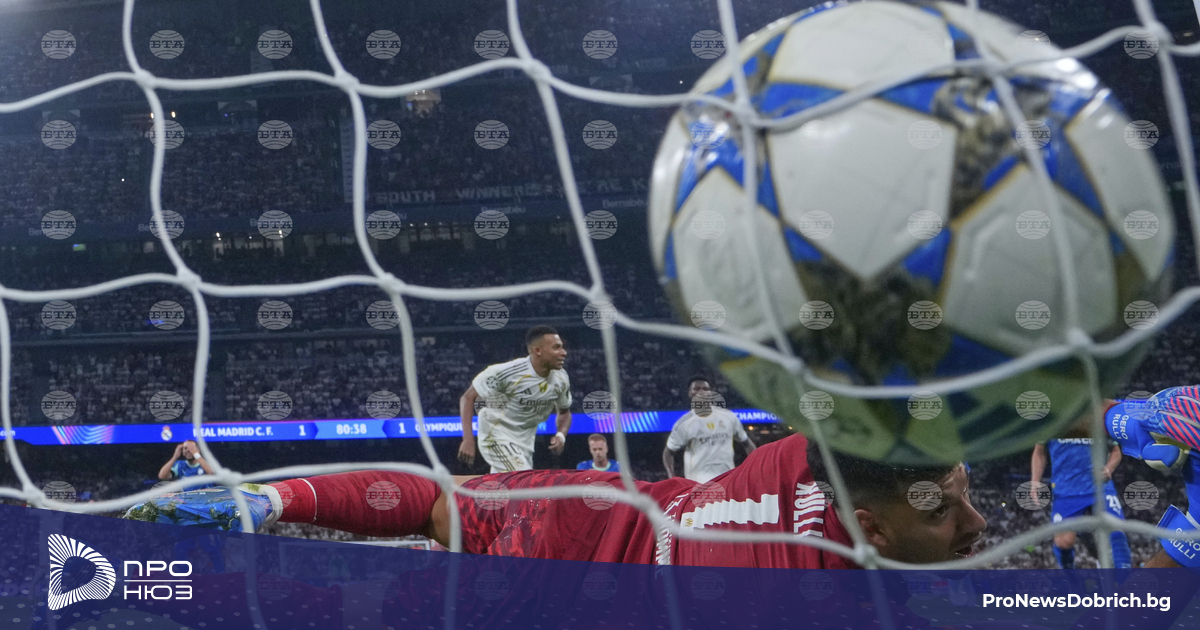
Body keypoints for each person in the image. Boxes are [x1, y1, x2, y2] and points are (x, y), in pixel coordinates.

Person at [126, 427, 985, 567]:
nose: (976, 523)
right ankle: (258, 512)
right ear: (870, 527)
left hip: (596, 512)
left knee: (439, 505)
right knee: (439, 511)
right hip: (584, 547)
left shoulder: (811, 452)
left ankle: (263, 507)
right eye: (947, 504)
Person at [457, 325, 572, 473]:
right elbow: (467, 397)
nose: (563, 352)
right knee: (523, 479)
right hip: (496, 433)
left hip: (525, 441)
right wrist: (468, 439)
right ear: (538, 350)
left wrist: (561, 435)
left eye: (562, 347)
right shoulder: (507, 372)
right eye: (556, 348)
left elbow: (564, 413)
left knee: (506, 484)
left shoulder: (561, 379)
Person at [1030, 437, 1131, 569]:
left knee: (1116, 529)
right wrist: (1035, 481)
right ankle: (1071, 577)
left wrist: (1109, 468)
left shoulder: (1098, 424)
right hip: (1066, 491)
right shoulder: (1050, 426)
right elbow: (1039, 451)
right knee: (1063, 542)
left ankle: (1124, 576)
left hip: (1100, 487)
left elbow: (1116, 450)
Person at [663, 375, 755, 483]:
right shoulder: (683, 423)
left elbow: (747, 444)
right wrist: (672, 477)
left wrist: (755, 466)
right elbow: (668, 452)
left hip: (728, 481)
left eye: (705, 389)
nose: (701, 392)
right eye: (696, 388)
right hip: (699, 484)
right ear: (689, 393)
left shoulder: (729, 417)